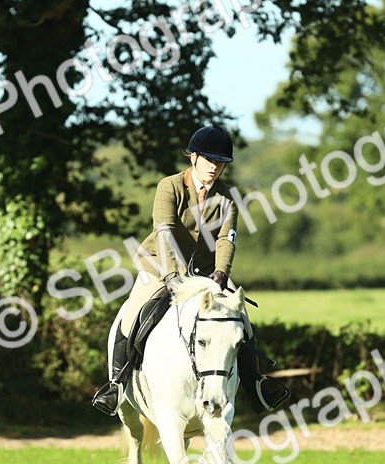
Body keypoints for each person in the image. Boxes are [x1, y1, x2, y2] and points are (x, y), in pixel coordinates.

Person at [91, 125, 292, 416]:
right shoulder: (169, 186)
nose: (215, 166)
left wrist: (221, 274)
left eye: (220, 161)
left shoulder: (227, 200)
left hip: (206, 272)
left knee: (242, 320)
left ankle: (256, 385)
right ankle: (117, 385)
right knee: (132, 314)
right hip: (159, 266)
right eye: (209, 159)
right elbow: (165, 231)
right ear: (193, 157)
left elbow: (226, 239)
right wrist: (172, 275)